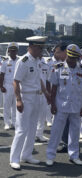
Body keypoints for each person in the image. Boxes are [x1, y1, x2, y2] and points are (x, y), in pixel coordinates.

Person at [10, 36, 50, 170]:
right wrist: (18, 100)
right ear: (32, 47)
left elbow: (39, 79)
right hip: (26, 98)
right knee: (21, 129)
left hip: (37, 98)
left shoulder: (38, 61)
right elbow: (16, 81)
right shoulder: (24, 61)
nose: (42, 51)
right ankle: (14, 159)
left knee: (32, 128)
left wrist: (46, 93)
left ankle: (26, 155)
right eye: (40, 48)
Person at [46, 44, 82, 166]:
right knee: (56, 132)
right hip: (61, 106)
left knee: (75, 132)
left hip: (76, 106)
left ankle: (74, 155)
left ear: (77, 58)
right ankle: (50, 155)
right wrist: (52, 104)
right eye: (69, 57)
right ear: (67, 56)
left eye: (74, 58)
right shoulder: (58, 68)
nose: (71, 60)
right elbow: (54, 88)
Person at [0, 42, 19, 130]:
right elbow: (2, 75)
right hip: (7, 86)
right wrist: (1, 86)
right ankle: (7, 123)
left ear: (17, 51)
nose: (13, 52)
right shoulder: (5, 62)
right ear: (8, 51)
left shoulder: (20, 61)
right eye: (11, 51)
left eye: (14, 51)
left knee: (15, 105)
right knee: (6, 105)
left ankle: (14, 122)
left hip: (17, 86)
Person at [35, 56, 51, 142]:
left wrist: (49, 94)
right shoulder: (31, 63)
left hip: (43, 94)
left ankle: (39, 134)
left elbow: (48, 81)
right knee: (32, 115)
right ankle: (31, 134)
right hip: (34, 93)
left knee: (42, 115)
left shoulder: (46, 66)